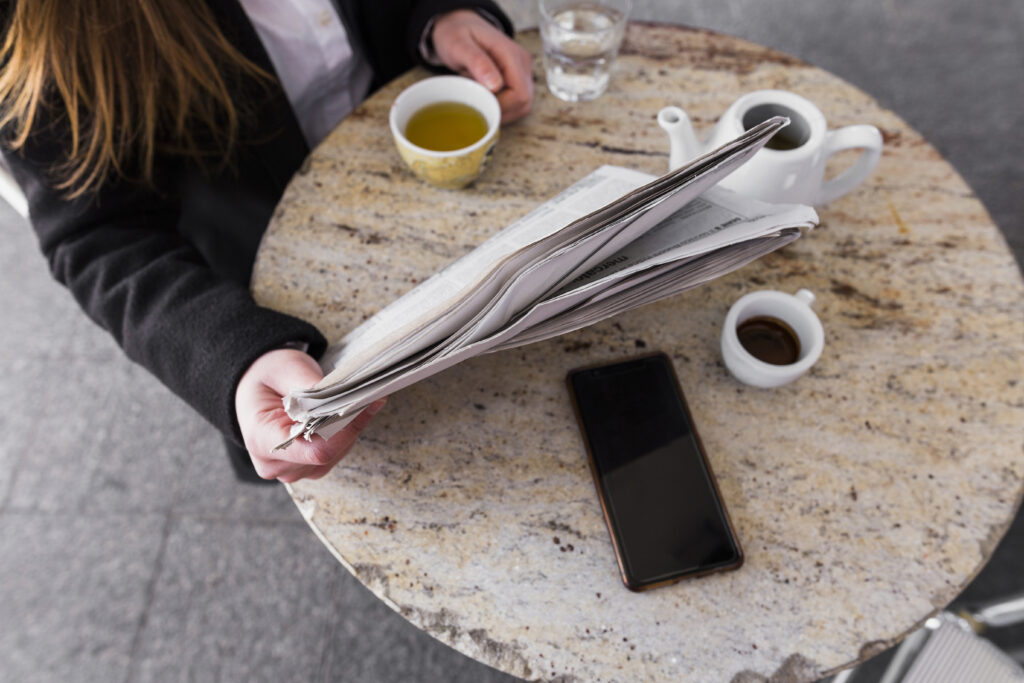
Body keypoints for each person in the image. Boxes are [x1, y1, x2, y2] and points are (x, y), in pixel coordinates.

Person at [0, 0, 533, 483]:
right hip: (284, 295)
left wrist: (439, 17)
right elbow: (100, 237)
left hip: (439, 202)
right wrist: (235, 360)